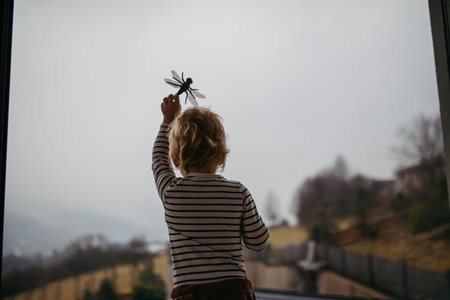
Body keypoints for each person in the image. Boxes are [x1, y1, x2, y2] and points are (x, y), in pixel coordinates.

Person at [152, 94, 269, 300]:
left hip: (190, 293)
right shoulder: (238, 192)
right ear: (222, 155)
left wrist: (167, 121)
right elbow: (258, 241)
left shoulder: (171, 194)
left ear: (176, 159)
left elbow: (158, 161)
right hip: (233, 291)